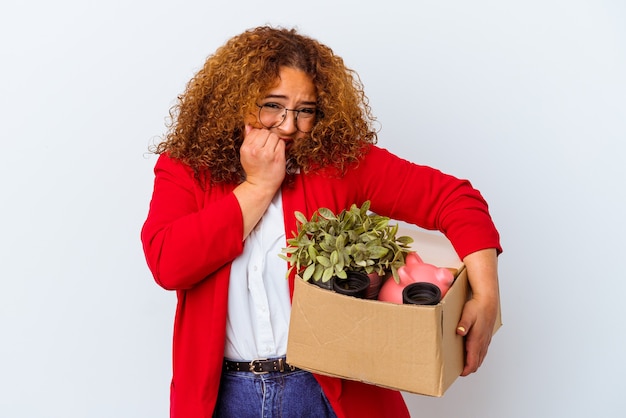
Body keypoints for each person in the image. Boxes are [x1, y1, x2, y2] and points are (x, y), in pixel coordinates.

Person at [141, 25, 502, 418]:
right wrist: (259, 186)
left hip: (329, 393)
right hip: (223, 399)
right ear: (236, 99)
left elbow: (455, 199)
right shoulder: (187, 168)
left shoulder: (338, 164)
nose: (288, 125)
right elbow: (168, 263)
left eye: (304, 111)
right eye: (272, 105)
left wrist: (485, 296)